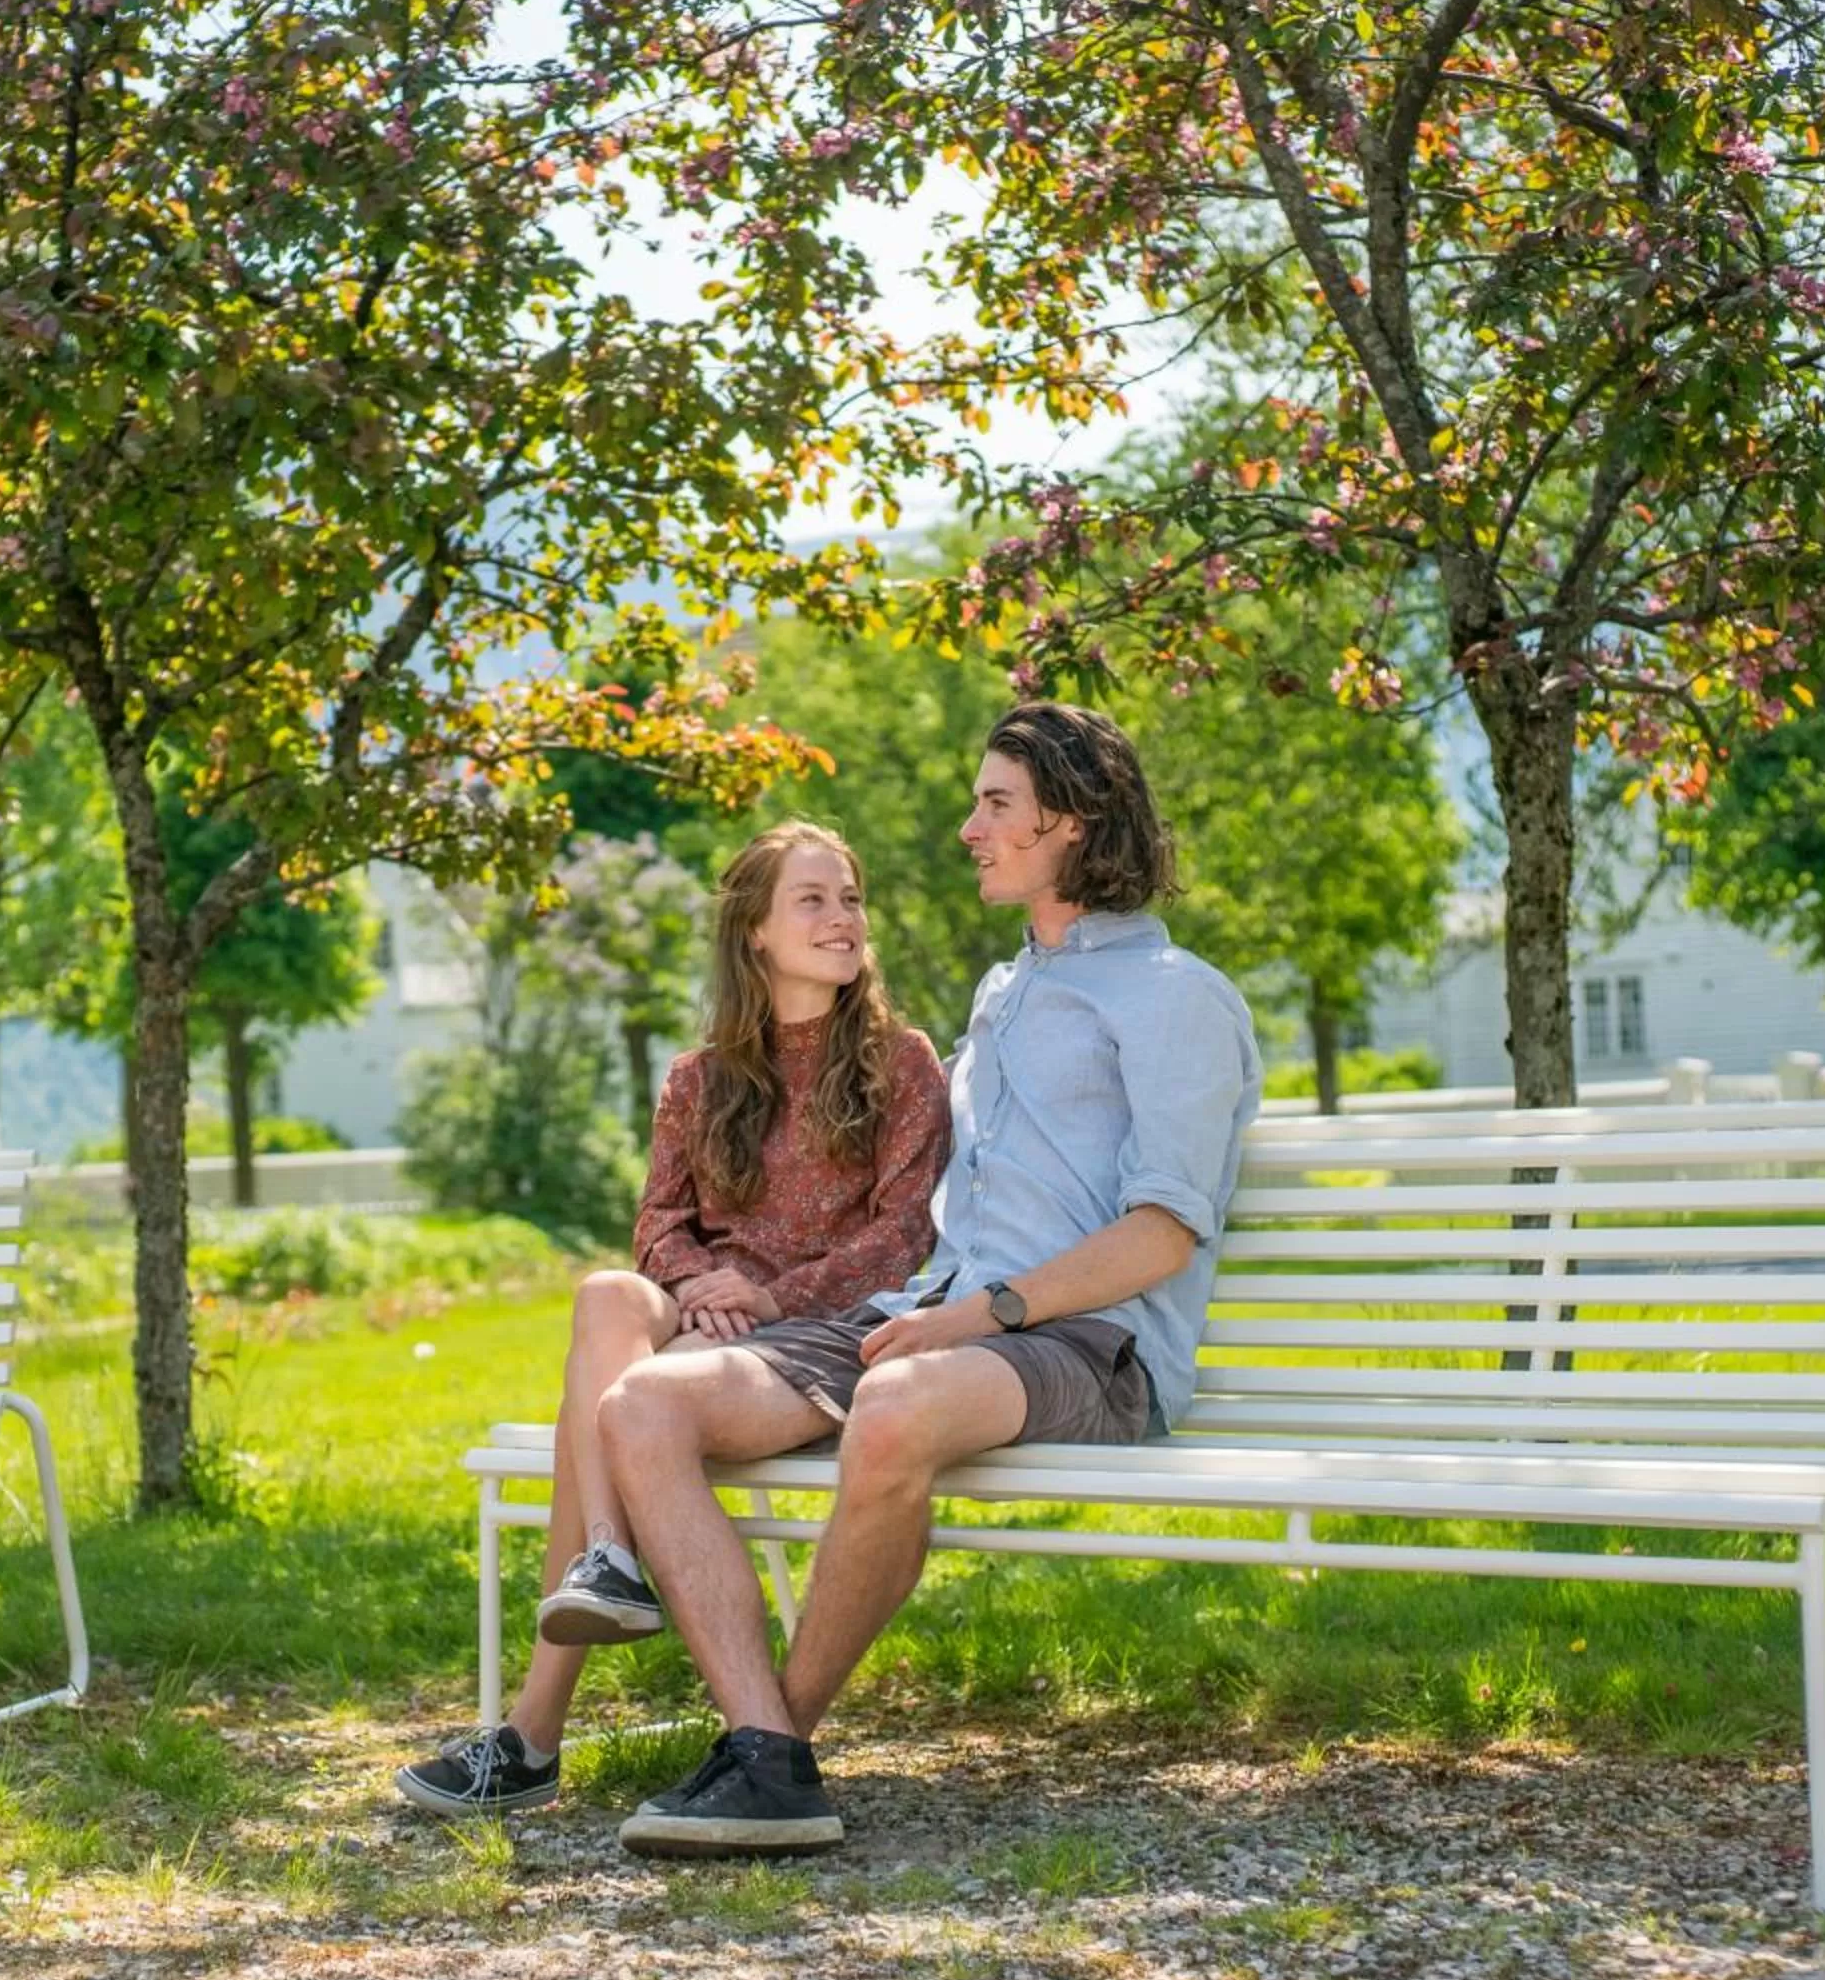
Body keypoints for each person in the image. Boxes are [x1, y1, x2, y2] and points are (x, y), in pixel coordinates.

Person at [598, 700, 1258, 1855]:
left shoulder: (1175, 996)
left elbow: (1163, 1232)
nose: (969, 828)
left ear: (1073, 819)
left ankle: (767, 1758)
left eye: (995, 803)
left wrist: (986, 1313)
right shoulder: (1005, 994)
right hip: (932, 1319)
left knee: (896, 1407)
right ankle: (767, 1752)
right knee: (645, 1400)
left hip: (1089, 1344)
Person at [395, 820, 950, 1817]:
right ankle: (607, 1558)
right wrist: (701, 1288)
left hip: (824, 1335)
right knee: (608, 1295)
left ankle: (531, 1737)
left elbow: (904, 1234)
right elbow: (658, 1224)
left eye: (852, 897)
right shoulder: (700, 1080)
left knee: (603, 1411)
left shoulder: (899, 1063)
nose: (842, 918)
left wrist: (766, 1297)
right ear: (756, 936)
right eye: (814, 900)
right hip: (710, 1329)